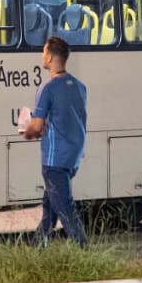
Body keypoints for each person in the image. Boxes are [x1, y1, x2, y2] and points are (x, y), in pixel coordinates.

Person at [22, 35, 88, 247]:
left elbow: (37, 126)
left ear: (50, 57)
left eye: (44, 52)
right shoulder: (79, 87)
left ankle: (83, 250)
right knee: (50, 208)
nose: (42, 56)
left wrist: (27, 131)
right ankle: (36, 248)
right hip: (72, 158)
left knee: (66, 209)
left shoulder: (48, 88)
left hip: (54, 160)